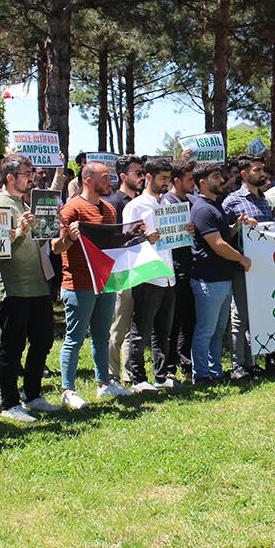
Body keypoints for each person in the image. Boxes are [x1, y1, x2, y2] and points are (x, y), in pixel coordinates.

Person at [0, 154, 58, 421]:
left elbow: (40, 245)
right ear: (10, 177)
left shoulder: (26, 203)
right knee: (12, 347)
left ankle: (33, 394)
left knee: (42, 340)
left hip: (37, 284)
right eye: (27, 173)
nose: (32, 178)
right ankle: (9, 403)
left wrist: (51, 233)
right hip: (12, 286)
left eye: (31, 173)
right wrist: (21, 231)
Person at [52, 161, 131, 408]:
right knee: (74, 338)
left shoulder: (109, 210)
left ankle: (104, 384)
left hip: (104, 282)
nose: (111, 182)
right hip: (78, 284)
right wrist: (71, 239)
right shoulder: (71, 209)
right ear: (88, 180)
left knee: (101, 336)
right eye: (105, 178)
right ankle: (68, 389)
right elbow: (56, 247)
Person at [188, 162, 254, 384]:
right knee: (206, 330)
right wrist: (241, 258)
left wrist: (236, 226)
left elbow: (223, 238)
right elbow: (217, 245)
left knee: (217, 331)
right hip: (209, 279)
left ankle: (215, 370)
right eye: (216, 176)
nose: (222, 180)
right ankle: (201, 374)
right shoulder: (203, 209)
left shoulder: (214, 206)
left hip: (221, 278)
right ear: (202, 183)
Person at [121, 157, 181, 391]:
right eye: (162, 178)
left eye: (168, 178)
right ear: (148, 177)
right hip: (147, 273)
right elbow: (125, 241)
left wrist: (184, 231)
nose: (166, 183)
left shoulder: (169, 206)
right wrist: (145, 238)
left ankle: (162, 374)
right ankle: (138, 378)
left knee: (164, 331)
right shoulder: (135, 207)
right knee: (141, 330)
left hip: (168, 274)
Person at [222, 154, 275, 376]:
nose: (262, 173)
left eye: (262, 169)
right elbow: (225, 236)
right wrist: (239, 225)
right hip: (241, 266)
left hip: (264, 267)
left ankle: (252, 363)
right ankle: (237, 366)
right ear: (244, 174)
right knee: (240, 316)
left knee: (256, 316)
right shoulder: (232, 200)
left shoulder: (264, 200)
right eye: (256, 170)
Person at [107, 155, 145, 384]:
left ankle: (130, 374)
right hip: (120, 272)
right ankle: (111, 376)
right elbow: (110, 241)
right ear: (123, 177)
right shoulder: (114, 203)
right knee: (118, 326)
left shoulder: (140, 202)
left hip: (140, 269)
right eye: (137, 173)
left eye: (143, 173)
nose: (142, 177)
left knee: (134, 327)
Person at [163, 159, 198, 381]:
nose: (194, 183)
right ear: (177, 181)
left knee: (189, 320)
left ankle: (187, 362)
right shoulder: (167, 203)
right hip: (175, 270)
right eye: (190, 179)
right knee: (173, 323)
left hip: (192, 268)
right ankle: (168, 368)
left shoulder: (193, 201)